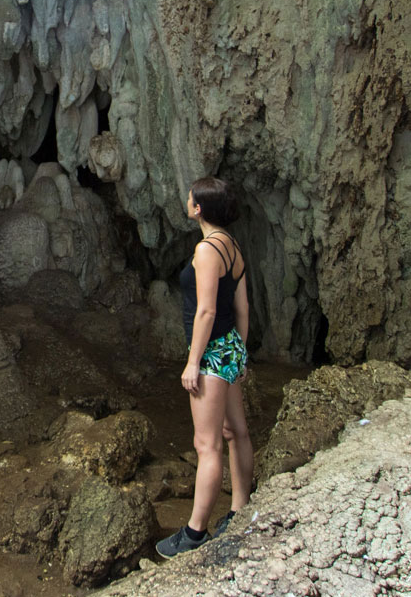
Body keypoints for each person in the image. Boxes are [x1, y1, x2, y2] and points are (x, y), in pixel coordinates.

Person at [155, 176, 253, 559]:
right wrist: (240, 352)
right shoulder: (232, 246)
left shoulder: (207, 250)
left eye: (190, 197)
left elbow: (207, 311)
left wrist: (193, 362)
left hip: (211, 354)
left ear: (198, 209)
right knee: (236, 432)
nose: (187, 199)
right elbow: (242, 308)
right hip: (229, 348)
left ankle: (195, 532)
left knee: (206, 444)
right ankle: (240, 509)